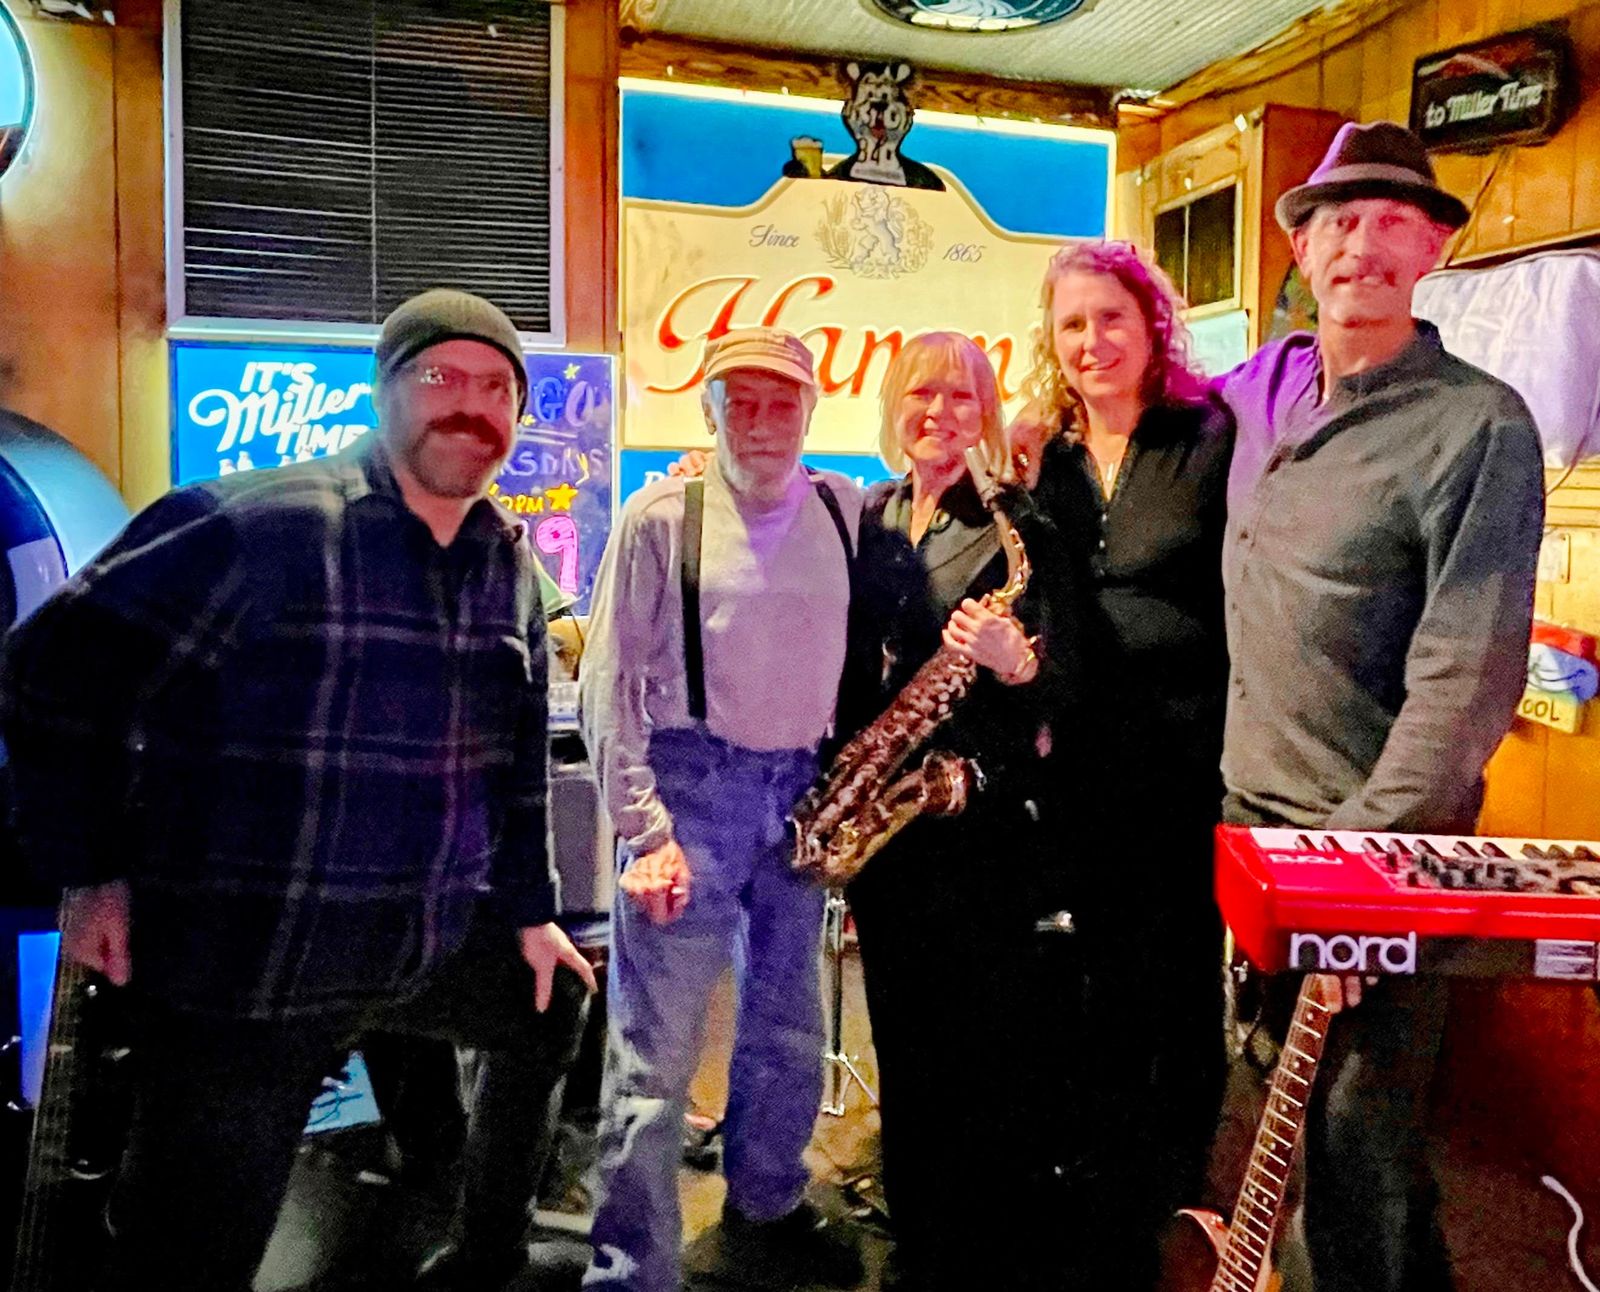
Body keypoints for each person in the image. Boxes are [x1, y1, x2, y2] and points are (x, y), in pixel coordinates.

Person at [0, 288, 598, 1292]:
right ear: (384, 391)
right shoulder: (257, 523)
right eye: (441, 376)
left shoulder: (502, 559)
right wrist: (94, 869)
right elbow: (49, 668)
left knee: (550, 1001)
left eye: (498, 387)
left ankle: (483, 1255)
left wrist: (531, 913)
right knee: (192, 1254)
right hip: (254, 964)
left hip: (417, 938)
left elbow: (517, 761)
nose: (472, 405)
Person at [1215, 120, 1545, 1292]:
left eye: (1391, 221)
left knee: (1361, 1144)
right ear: (1301, 249)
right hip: (1250, 830)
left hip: (1372, 850)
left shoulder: (1479, 424)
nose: (1361, 244)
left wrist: (1355, 884)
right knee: (1282, 1111)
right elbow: (1145, 405)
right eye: (1339, 221)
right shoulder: (1264, 389)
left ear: (1430, 249)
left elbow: (1466, 677)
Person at [577, 327, 865, 1292]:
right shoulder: (661, 514)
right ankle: (630, 1271)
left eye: (782, 401)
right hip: (690, 795)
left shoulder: (844, 506)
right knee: (655, 1065)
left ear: (812, 411)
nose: (761, 421)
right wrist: (644, 832)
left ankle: (768, 1203)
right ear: (706, 411)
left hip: (802, 797)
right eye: (739, 400)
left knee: (788, 1029)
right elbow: (608, 685)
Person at [841, 330, 1088, 1292]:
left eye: (960, 396)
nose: (939, 413)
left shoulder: (1021, 528)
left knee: (980, 1037)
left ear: (986, 412)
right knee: (900, 1032)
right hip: (888, 816)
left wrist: (1018, 663)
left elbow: (1070, 685)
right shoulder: (869, 513)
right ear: (894, 405)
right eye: (921, 393)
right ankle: (919, 1227)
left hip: (977, 819)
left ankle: (982, 1244)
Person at [1018, 239, 1234, 1289]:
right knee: (1094, 968)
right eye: (1072, 323)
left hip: (1190, 758)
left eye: (1111, 317)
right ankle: (1104, 1173)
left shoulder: (1212, 436)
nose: (1092, 340)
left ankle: (1182, 1188)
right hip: (1078, 759)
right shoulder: (1046, 457)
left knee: (1180, 973)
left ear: (1151, 325)